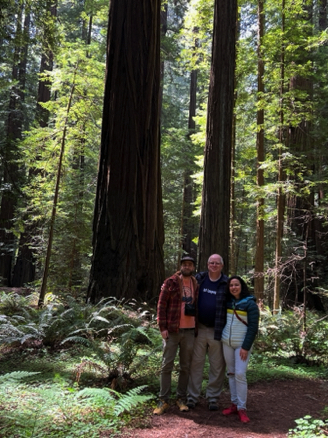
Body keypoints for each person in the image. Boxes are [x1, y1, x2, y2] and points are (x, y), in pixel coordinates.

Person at [153, 255, 199, 415]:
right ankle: (163, 399)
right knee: (167, 365)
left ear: (193, 267)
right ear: (181, 266)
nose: (187, 266)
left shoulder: (195, 283)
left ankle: (181, 398)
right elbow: (161, 305)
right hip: (172, 330)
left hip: (190, 331)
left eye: (190, 264)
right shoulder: (170, 282)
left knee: (185, 367)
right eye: (184, 264)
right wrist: (162, 327)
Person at [187, 254, 227, 411]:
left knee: (217, 366)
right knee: (196, 364)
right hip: (199, 329)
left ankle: (213, 398)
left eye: (217, 263)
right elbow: (182, 279)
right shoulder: (199, 278)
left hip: (217, 330)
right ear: (207, 264)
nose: (214, 265)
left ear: (222, 266)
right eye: (211, 262)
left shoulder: (226, 283)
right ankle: (192, 397)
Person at [221, 276, 259, 423]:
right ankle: (234, 404)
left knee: (240, 374)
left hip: (242, 345)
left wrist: (246, 347)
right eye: (231, 285)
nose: (234, 287)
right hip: (227, 343)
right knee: (231, 374)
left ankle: (242, 408)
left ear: (241, 286)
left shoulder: (250, 304)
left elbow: (253, 327)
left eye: (236, 285)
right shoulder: (228, 302)